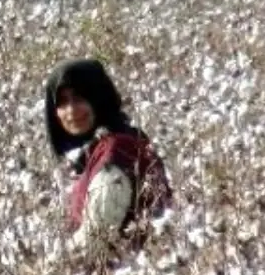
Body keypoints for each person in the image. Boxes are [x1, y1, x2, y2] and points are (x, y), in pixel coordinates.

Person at [44, 58, 173, 261]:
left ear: (98, 97)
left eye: (79, 97)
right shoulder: (89, 155)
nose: (71, 110)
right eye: (62, 102)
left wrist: (48, 271)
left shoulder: (118, 151)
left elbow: (97, 235)